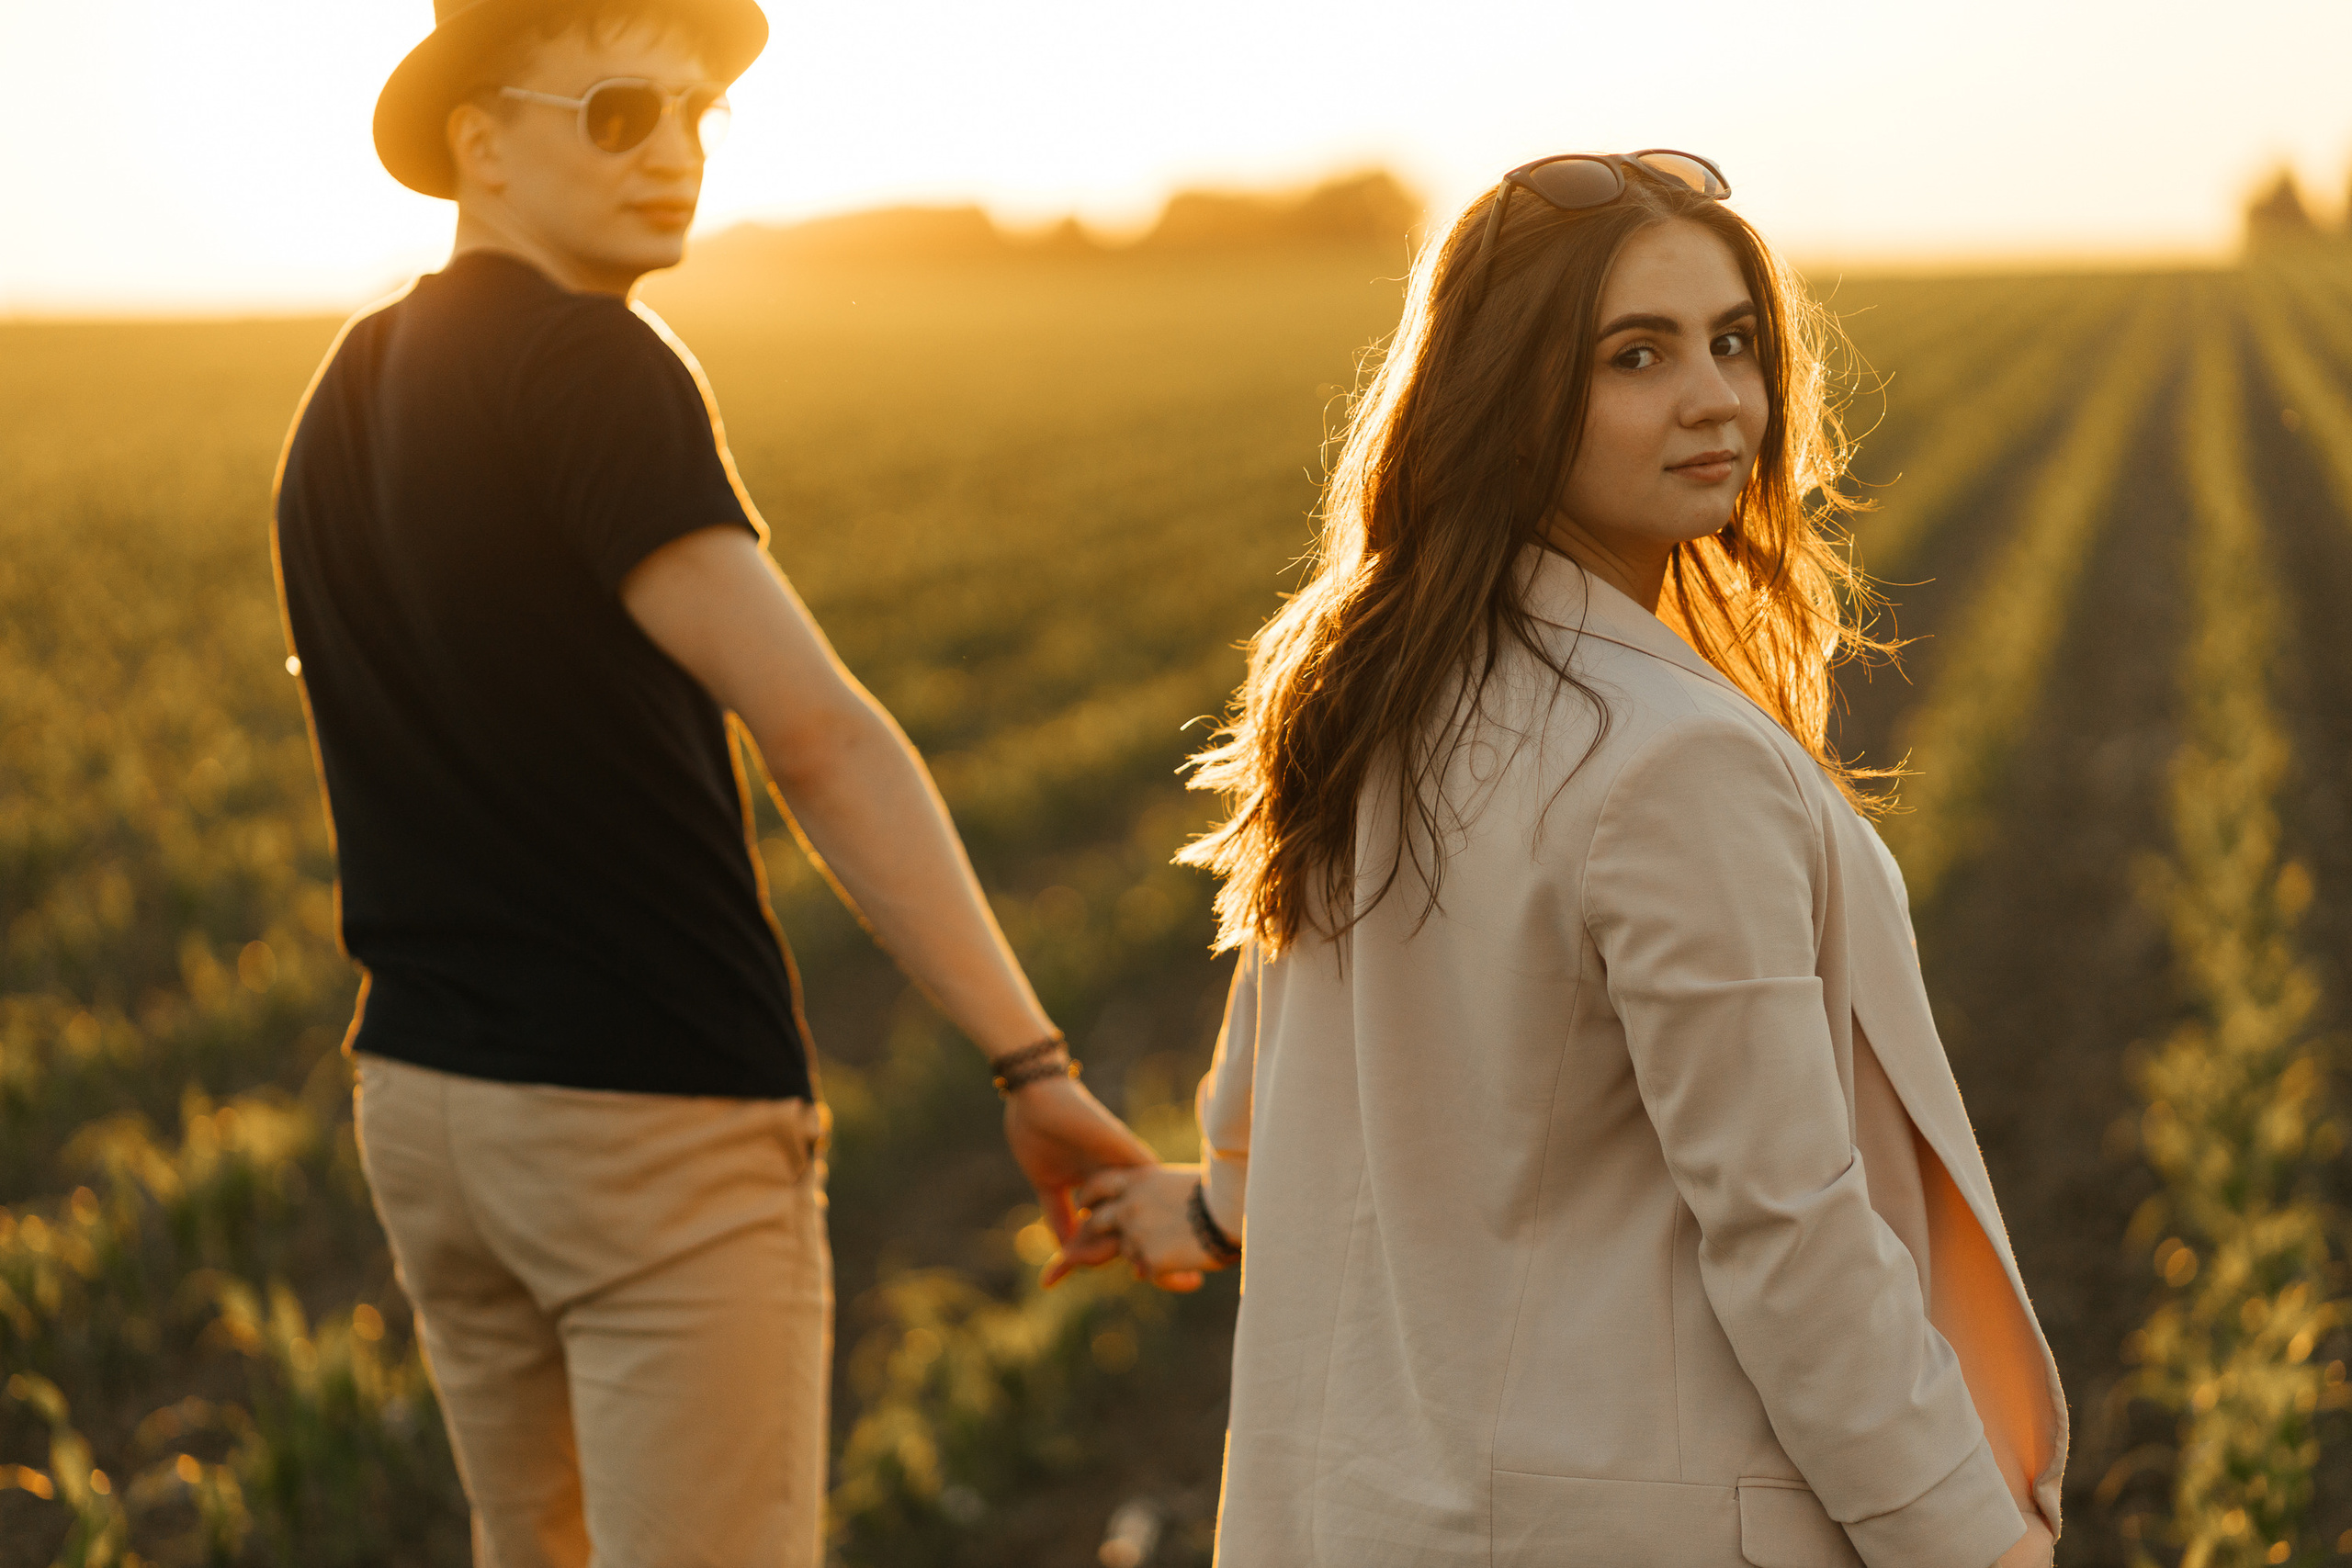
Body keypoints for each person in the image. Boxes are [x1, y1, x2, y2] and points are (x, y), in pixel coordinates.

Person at [1065, 152, 2066, 1567]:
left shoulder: (1359, 688)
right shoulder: (1677, 764)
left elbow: (1273, 1078)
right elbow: (1787, 1227)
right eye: (1636, 356)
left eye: (1732, 342)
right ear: (1511, 395)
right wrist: (1968, 1542)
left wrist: (1204, 1213)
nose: (1714, 395)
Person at [270, 3, 1151, 1562]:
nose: (674, 153)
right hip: (646, 1113)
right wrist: (1031, 1063)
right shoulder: (596, 368)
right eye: (620, 112)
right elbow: (819, 733)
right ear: (480, 139)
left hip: (426, 1105)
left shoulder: (352, 378)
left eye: (697, 117)